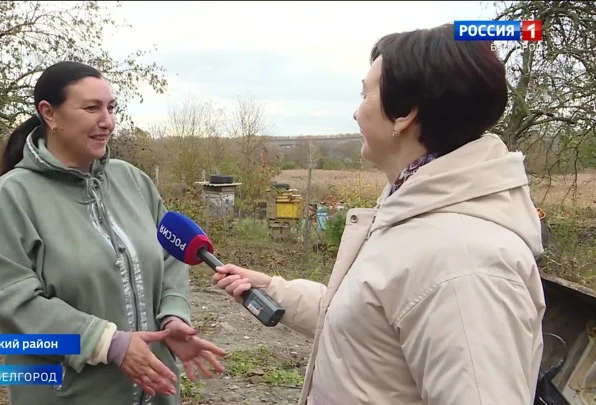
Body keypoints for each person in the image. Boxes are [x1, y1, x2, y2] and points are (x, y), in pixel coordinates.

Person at [213, 24, 546, 405]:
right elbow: (369, 320)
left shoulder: (464, 263)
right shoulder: (416, 215)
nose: (356, 113)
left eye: (365, 94)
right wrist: (273, 289)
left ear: (404, 114)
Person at [0, 61, 226, 405]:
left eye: (111, 108)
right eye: (91, 108)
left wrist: (173, 315)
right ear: (49, 114)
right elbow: (13, 301)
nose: (107, 121)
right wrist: (107, 343)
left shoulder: (133, 181)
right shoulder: (14, 194)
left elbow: (170, 255)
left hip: (153, 393)